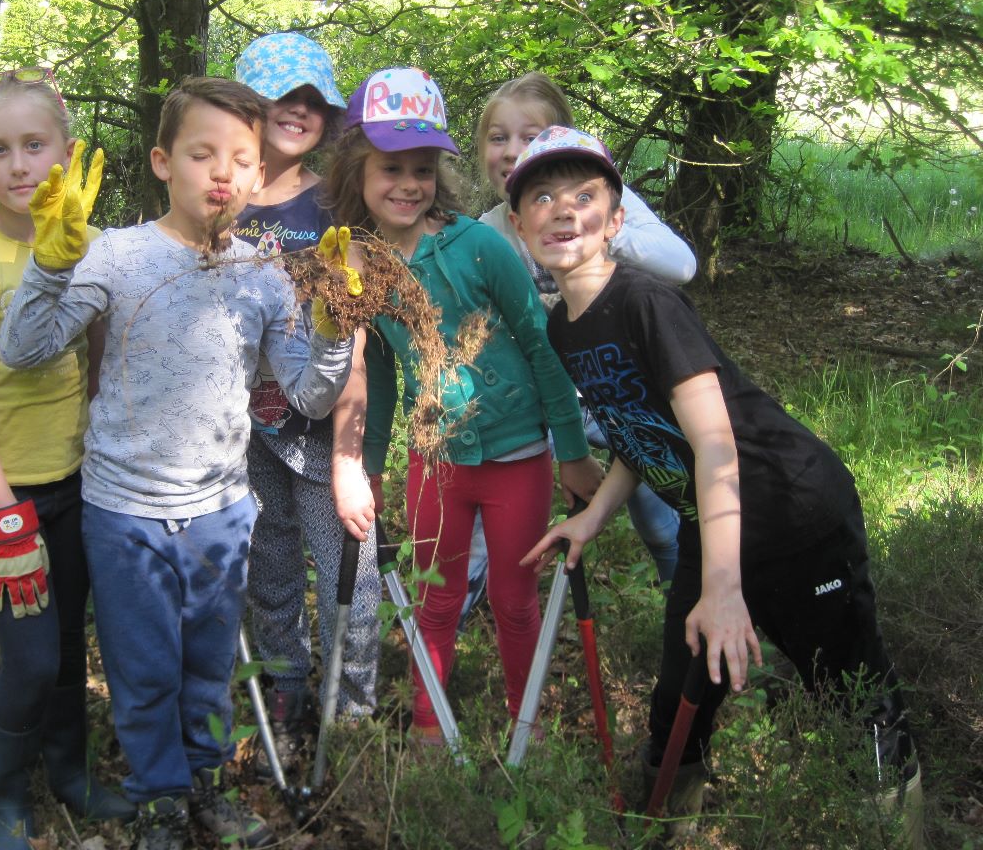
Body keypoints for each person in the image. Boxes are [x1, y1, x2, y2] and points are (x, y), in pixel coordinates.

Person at [512, 126, 922, 842]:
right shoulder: (562, 329)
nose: (562, 209)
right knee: (682, 694)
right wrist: (595, 515)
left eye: (584, 195)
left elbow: (713, 444)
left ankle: (900, 827)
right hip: (715, 521)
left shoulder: (647, 302)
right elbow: (642, 435)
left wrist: (724, 587)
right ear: (518, 225)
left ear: (616, 220)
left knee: (851, 691)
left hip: (794, 513)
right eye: (541, 197)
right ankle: (671, 822)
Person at [0, 76, 358, 850]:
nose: (221, 173)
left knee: (207, 663)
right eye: (201, 154)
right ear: (164, 162)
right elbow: (24, 351)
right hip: (125, 513)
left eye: (240, 159)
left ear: (260, 176)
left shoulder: (263, 273)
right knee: (144, 666)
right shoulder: (115, 255)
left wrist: (334, 329)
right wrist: (50, 264)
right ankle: (159, 796)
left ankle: (207, 785)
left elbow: (309, 396)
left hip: (222, 513)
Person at [325, 67, 603, 744]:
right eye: (392, 167)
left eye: (423, 169)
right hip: (437, 461)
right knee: (436, 595)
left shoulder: (480, 247)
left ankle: (524, 722)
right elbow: (381, 371)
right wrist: (369, 462)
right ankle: (428, 723)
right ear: (358, 172)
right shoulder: (362, 267)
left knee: (513, 600)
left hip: (519, 455)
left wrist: (571, 449)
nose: (408, 184)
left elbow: (540, 346)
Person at [0, 67, 132, 849]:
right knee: (31, 658)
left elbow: (101, 362)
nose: (19, 165)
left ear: (66, 153)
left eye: (34, 145)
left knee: (71, 644)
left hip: (78, 484)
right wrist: (3, 512)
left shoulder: (84, 248)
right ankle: (5, 793)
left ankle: (71, 776)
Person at [459, 73, 694, 629]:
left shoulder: (602, 204)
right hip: (544, 404)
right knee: (493, 509)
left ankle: (688, 608)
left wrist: (594, 220)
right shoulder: (487, 232)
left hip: (622, 391)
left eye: (530, 135)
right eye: (498, 137)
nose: (513, 150)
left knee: (663, 518)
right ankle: (455, 616)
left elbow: (682, 265)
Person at [231, 33, 382, 767]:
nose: (297, 111)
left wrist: (350, 457)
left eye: (313, 101)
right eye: (281, 97)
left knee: (348, 558)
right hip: (240, 434)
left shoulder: (331, 207)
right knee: (271, 562)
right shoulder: (216, 199)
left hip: (322, 429)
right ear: (246, 107)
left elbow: (350, 339)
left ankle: (350, 710)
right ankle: (285, 691)